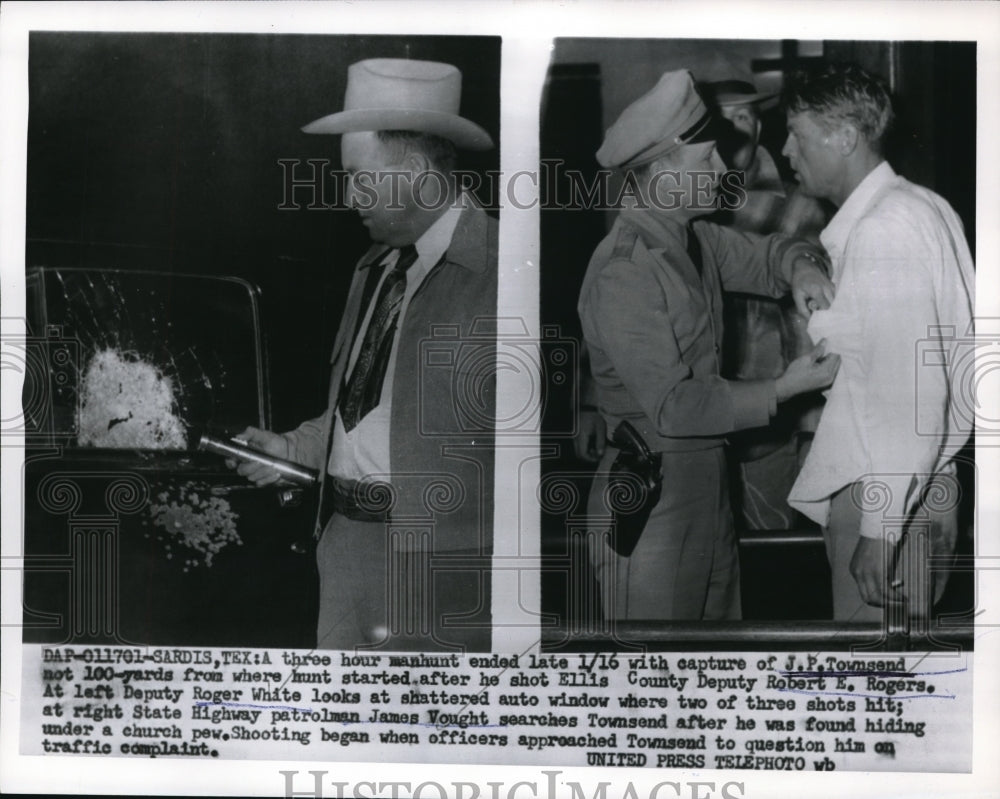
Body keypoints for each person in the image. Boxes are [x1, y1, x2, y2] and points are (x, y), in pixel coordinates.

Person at [233, 58, 497, 651]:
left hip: (442, 575)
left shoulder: (505, 273)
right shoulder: (374, 267)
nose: (349, 196)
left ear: (415, 172)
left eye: (361, 177)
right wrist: (293, 448)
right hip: (347, 552)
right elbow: (362, 412)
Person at [577, 69, 840, 622]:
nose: (722, 170)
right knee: (655, 677)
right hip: (651, 497)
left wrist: (800, 271)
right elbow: (675, 407)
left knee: (714, 655)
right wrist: (783, 388)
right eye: (705, 163)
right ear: (662, 176)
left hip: (705, 484)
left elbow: (770, 253)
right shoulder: (625, 271)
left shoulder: (693, 238)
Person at [784, 63, 974, 623]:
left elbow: (908, 394)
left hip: (886, 494)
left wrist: (880, 529)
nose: (786, 149)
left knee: (875, 683)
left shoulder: (883, 229)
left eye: (797, 132)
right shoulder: (921, 205)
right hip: (920, 485)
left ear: (845, 137)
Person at [700, 79, 829, 531]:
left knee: (771, 554)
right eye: (724, 118)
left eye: (745, 117)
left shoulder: (801, 203)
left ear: (758, 127)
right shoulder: (687, 202)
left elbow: (817, 320)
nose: (736, 128)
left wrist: (814, 422)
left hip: (776, 416)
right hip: (701, 410)